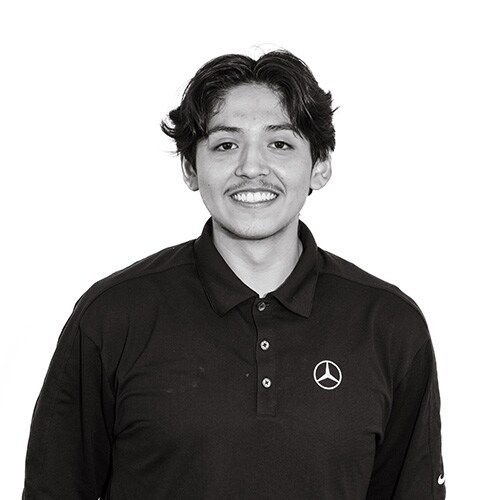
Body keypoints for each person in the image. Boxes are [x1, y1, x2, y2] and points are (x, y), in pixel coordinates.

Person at [23, 50, 445, 499]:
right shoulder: (113, 317)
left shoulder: (389, 326)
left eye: (279, 144)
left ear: (319, 166)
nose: (251, 167)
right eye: (225, 145)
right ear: (190, 168)